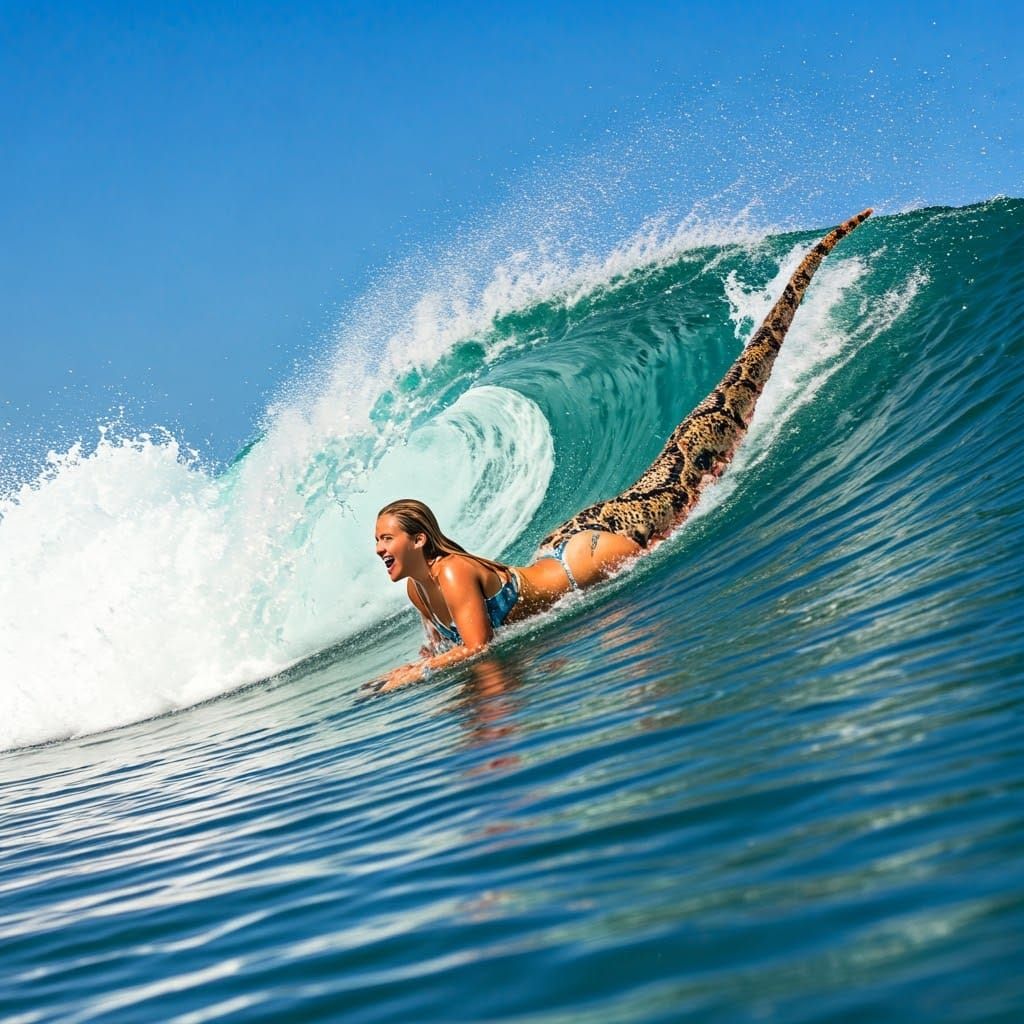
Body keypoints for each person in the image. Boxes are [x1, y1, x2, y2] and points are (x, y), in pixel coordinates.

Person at [368, 209, 872, 692]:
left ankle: (803, 276)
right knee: (682, 460)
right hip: (559, 545)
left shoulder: (452, 571)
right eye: (377, 540)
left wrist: (419, 677)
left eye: (387, 537)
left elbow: (477, 649)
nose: (379, 549)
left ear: (418, 539)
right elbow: (444, 649)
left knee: (700, 457)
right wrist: (411, 668)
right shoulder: (418, 590)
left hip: (586, 559)